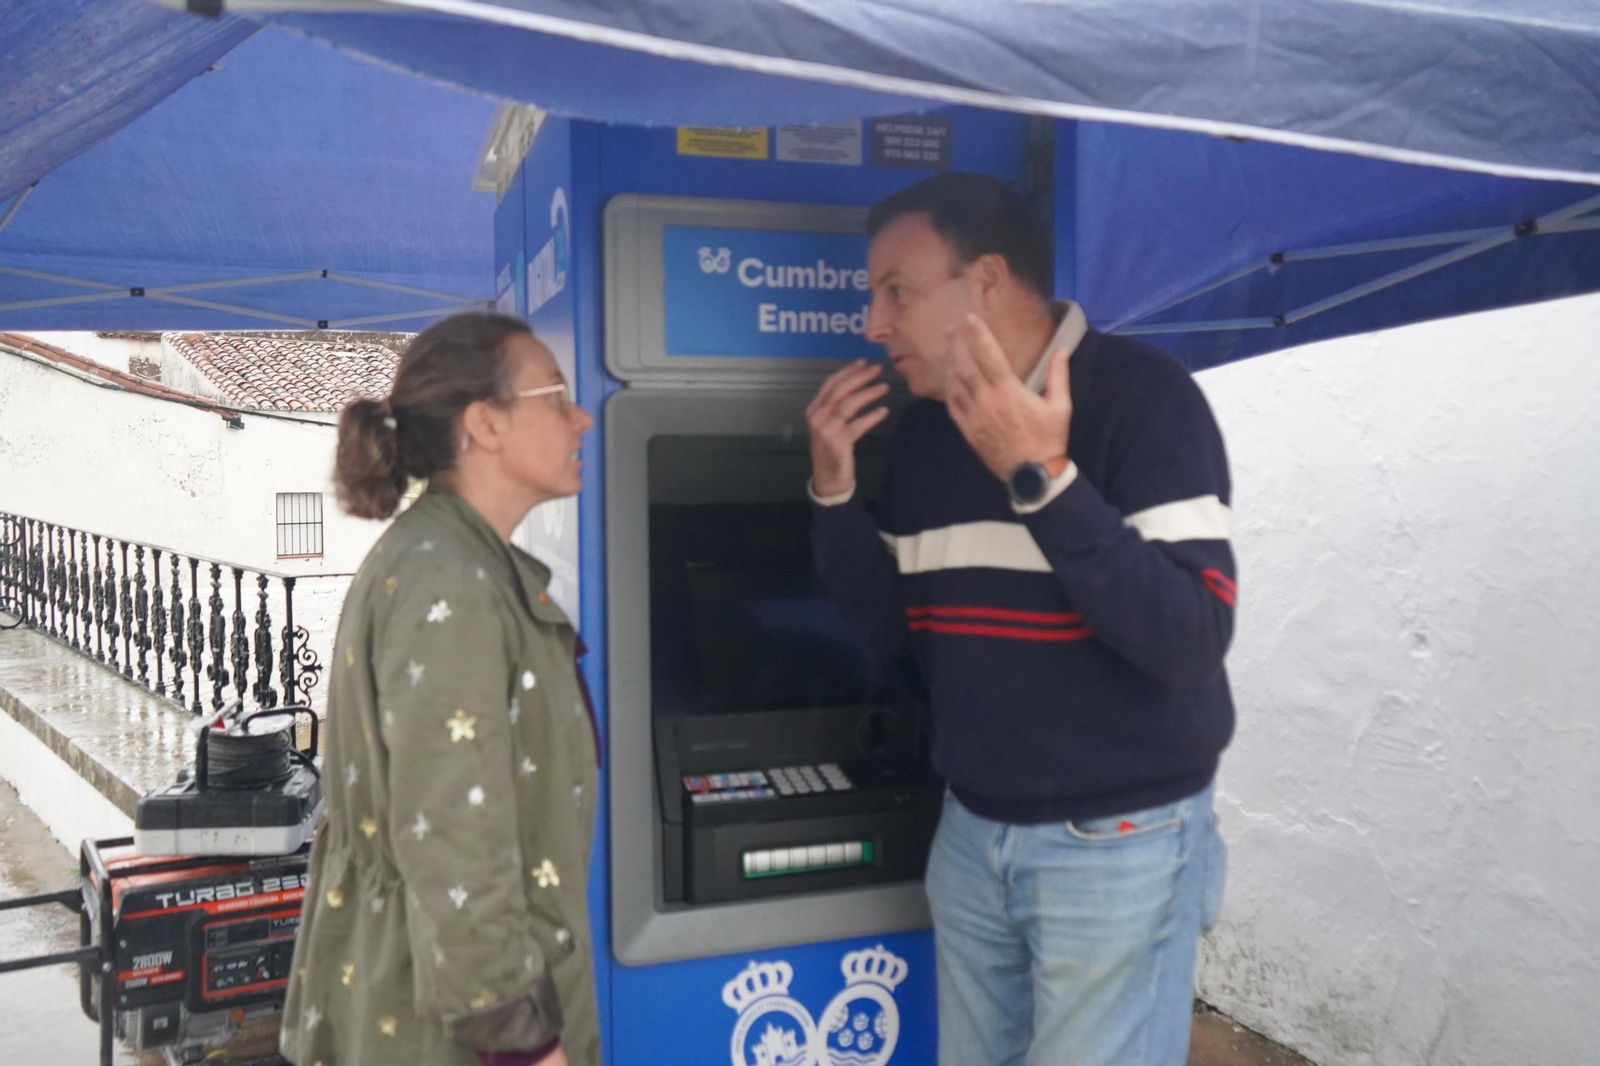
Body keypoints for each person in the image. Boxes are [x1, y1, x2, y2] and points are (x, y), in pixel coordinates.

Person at [806, 173, 1234, 1066]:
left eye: (896, 292)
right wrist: (834, 492)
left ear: (988, 280)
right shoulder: (926, 434)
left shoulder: (1143, 398)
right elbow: (898, 634)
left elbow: (1191, 637)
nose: (874, 324)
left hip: (1116, 840)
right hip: (972, 832)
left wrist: (1041, 479)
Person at [281, 312, 598, 1066]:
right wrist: (524, 1048)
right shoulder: (450, 584)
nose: (582, 417)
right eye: (557, 396)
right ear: (485, 424)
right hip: (447, 1033)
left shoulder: (454, 560)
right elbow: (455, 839)